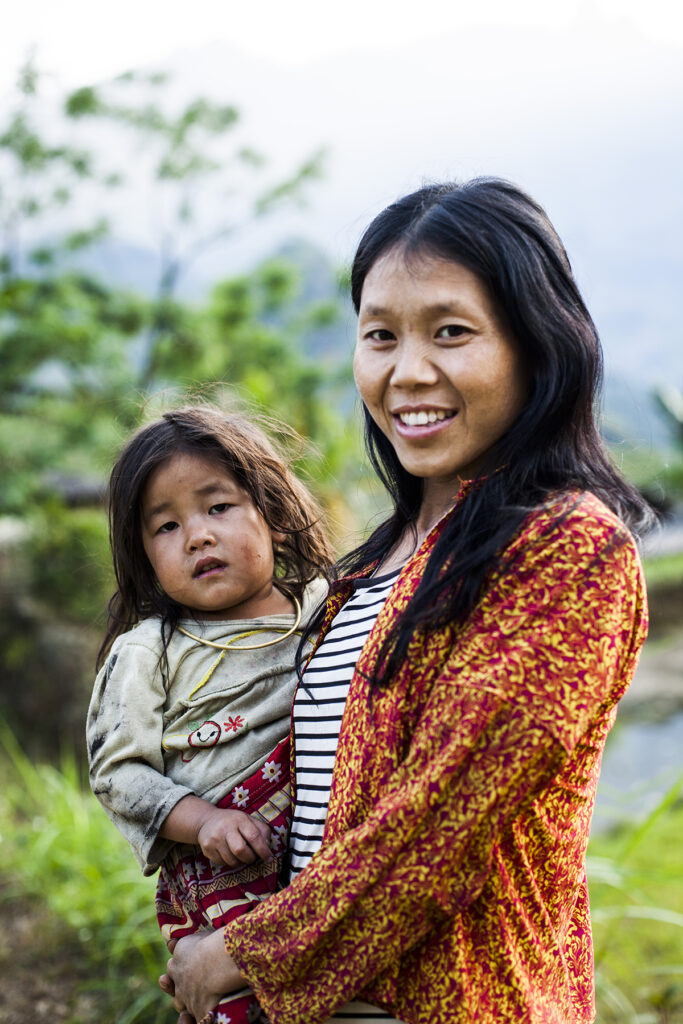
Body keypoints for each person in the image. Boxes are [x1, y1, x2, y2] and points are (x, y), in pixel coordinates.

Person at [161, 179, 654, 1024]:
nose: (407, 371)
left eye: (451, 333)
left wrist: (243, 950)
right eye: (379, 335)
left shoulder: (566, 547)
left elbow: (439, 829)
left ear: (535, 345)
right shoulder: (365, 567)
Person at [87, 405, 332, 1024]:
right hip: (221, 873)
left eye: (218, 507)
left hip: (325, 870)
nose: (196, 535)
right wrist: (203, 824)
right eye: (165, 526)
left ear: (273, 514)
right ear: (143, 555)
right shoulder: (149, 652)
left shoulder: (329, 609)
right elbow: (118, 774)